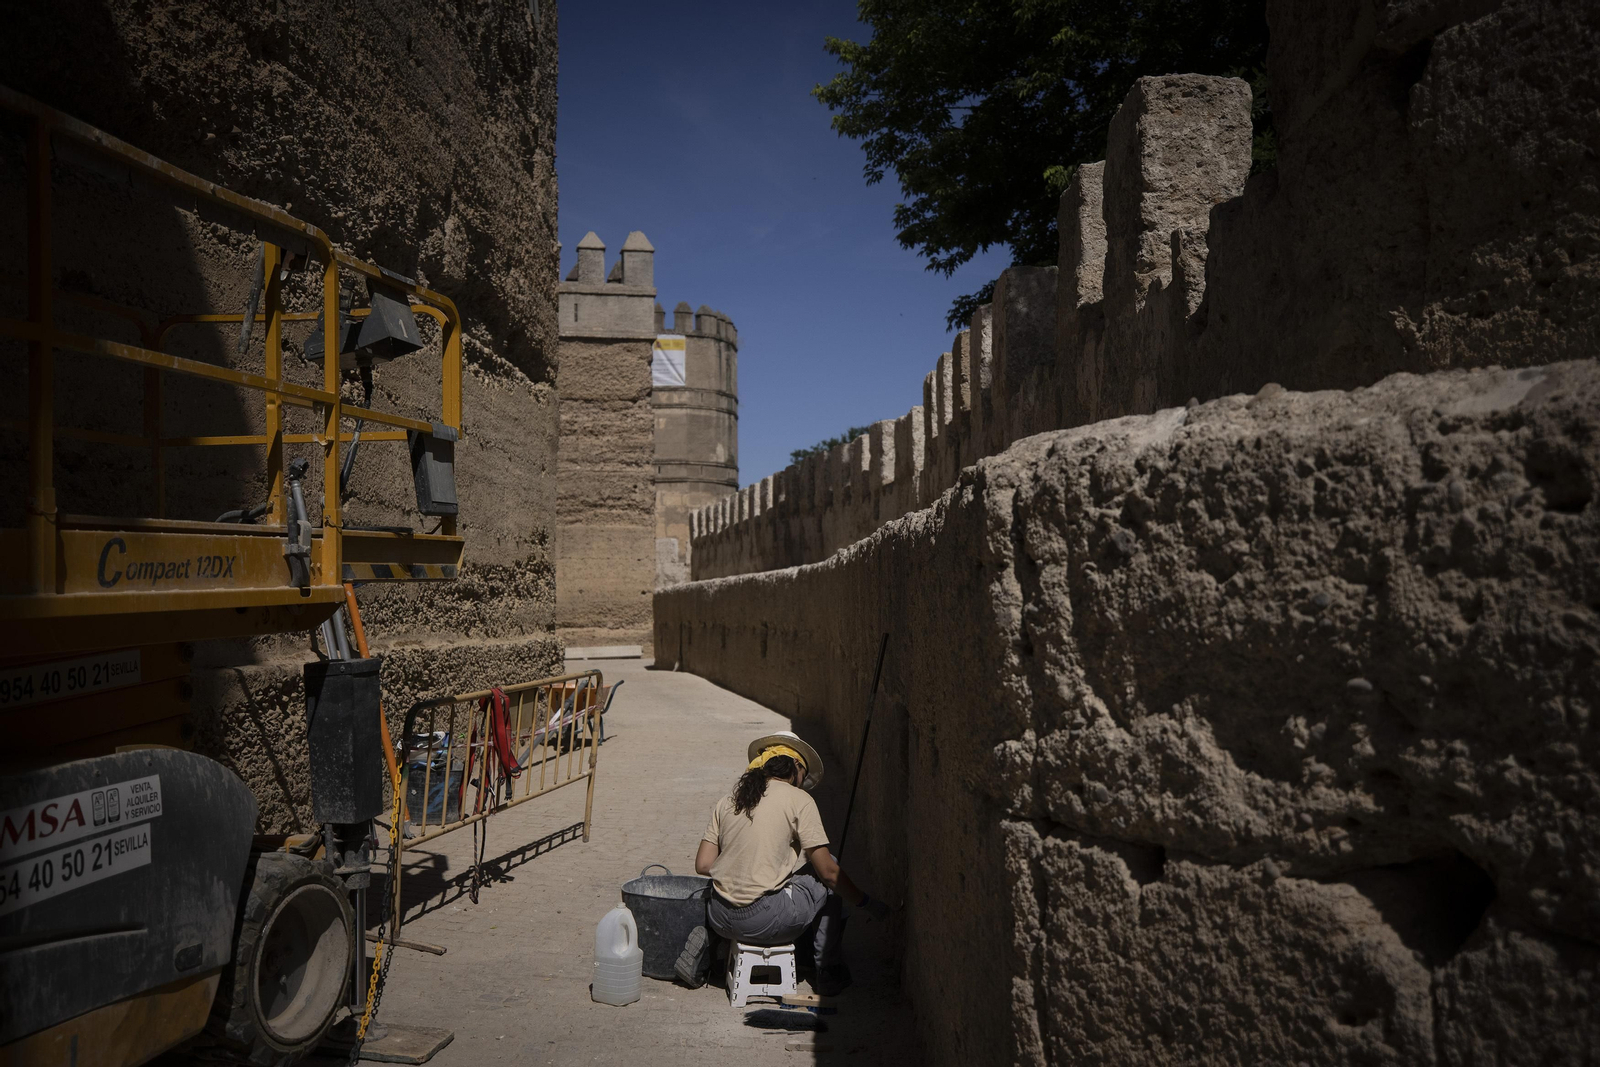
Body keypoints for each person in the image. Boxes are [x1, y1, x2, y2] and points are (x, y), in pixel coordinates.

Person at [675, 731, 889, 994]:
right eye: (803, 774)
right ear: (796, 768)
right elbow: (829, 873)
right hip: (763, 920)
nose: (802, 782)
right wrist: (867, 903)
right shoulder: (799, 799)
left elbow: (704, 865)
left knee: (734, 884)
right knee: (828, 867)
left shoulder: (729, 800)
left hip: (719, 915)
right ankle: (827, 969)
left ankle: (716, 942)